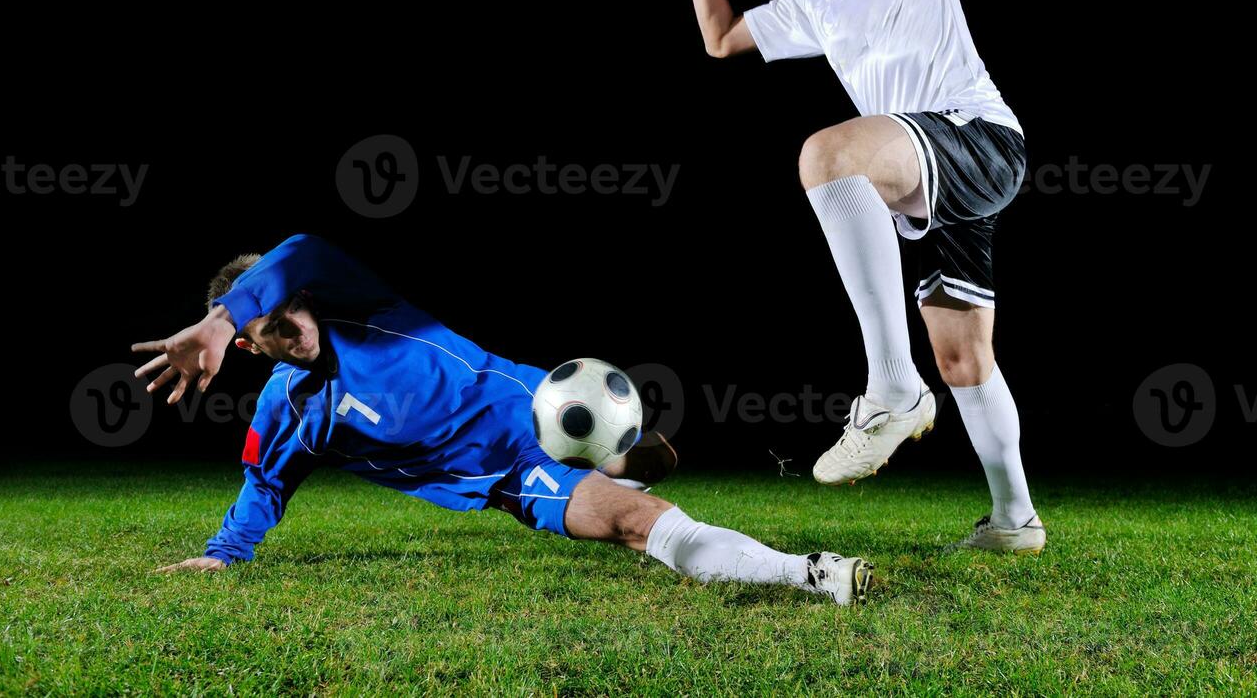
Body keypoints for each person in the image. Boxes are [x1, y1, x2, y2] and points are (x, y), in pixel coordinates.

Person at [678, 0, 1057, 554]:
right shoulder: (815, 2)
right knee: (963, 354)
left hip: (975, 137)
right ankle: (1014, 518)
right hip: (925, 185)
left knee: (827, 154)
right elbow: (719, 37)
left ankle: (890, 383)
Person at [135, 233, 875, 603]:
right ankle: (808, 573)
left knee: (645, 460)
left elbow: (302, 250)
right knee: (631, 519)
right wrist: (226, 553)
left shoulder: (358, 307)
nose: (293, 318)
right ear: (245, 345)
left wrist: (226, 312)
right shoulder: (287, 411)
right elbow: (263, 484)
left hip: (542, 408)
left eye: (289, 301)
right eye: (269, 319)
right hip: (509, 479)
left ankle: (616, 448)